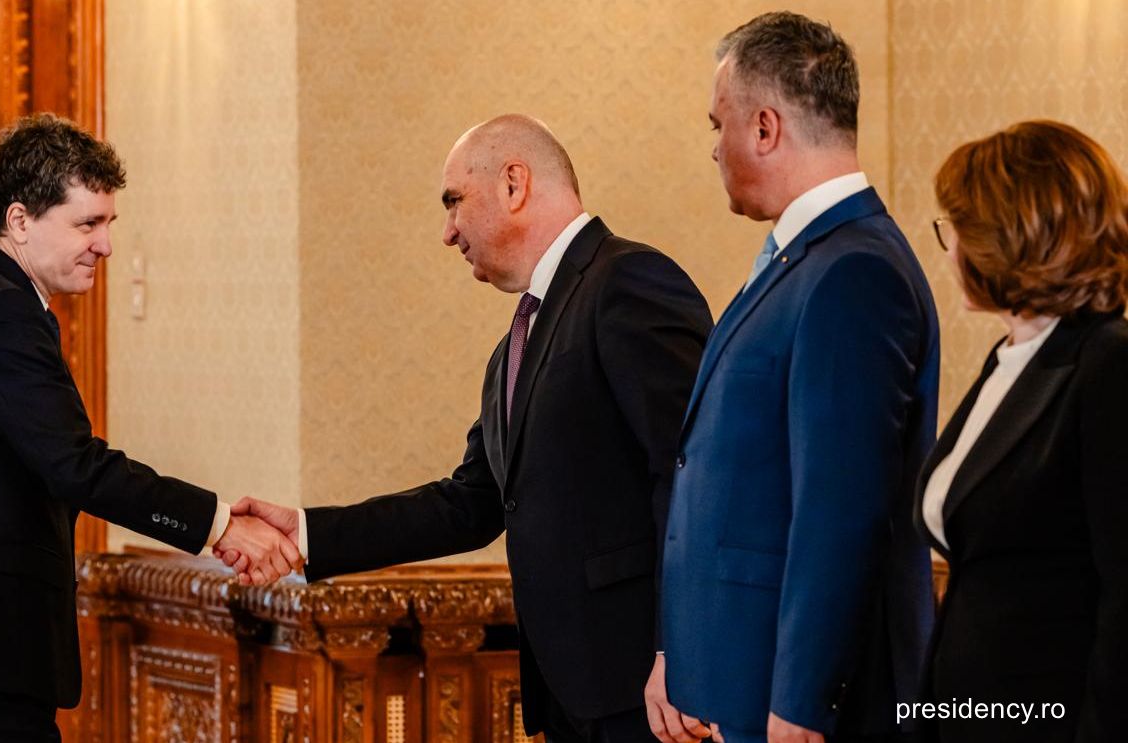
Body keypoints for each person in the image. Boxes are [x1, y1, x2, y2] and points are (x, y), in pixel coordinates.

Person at [222, 114, 713, 742]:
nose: (448, 231)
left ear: (514, 183)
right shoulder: (514, 347)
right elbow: (470, 504)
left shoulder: (628, 281)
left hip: (650, 690)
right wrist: (308, 532)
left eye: (454, 201)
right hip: (572, 695)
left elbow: (695, 473)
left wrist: (683, 650)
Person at [0, 113, 299, 742]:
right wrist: (219, 525)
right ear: (20, 220)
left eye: (108, 223)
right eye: (87, 224)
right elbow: (77, 467)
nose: (105, 245)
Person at [655, 13, 939, 743]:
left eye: (717, 123)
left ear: (764, 127)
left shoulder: (855, 271)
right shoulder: (805, 260)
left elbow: (840, 509)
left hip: (794, 704)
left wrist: (803, 701)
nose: (712, 146)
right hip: (737, 679)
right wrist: (677, 652)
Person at [917, 120, 1128, 742]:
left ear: (1013, 236)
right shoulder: (1011, 357)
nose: (950, 249)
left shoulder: (1109, 362)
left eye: (959, 228)